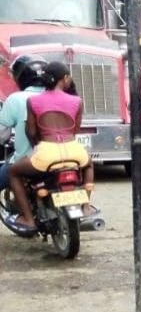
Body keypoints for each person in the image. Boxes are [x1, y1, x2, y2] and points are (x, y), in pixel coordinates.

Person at [6, 62, 96, 233]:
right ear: (65, 78)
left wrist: (38, 145)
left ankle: (28, 219)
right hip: (73, 150)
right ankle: (86, 206)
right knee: (89, 164)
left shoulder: (33, 101)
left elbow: (31, 131)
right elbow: (75, 130)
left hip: (47, 152)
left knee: (13, 172)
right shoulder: (77, 101)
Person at [0, 55, 50, 195]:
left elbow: (2, 134)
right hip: (64, 159)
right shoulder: (58, 96)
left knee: (9, 172)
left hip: (29, 161)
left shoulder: (16, 99)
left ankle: (24, 209)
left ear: (21, 77)